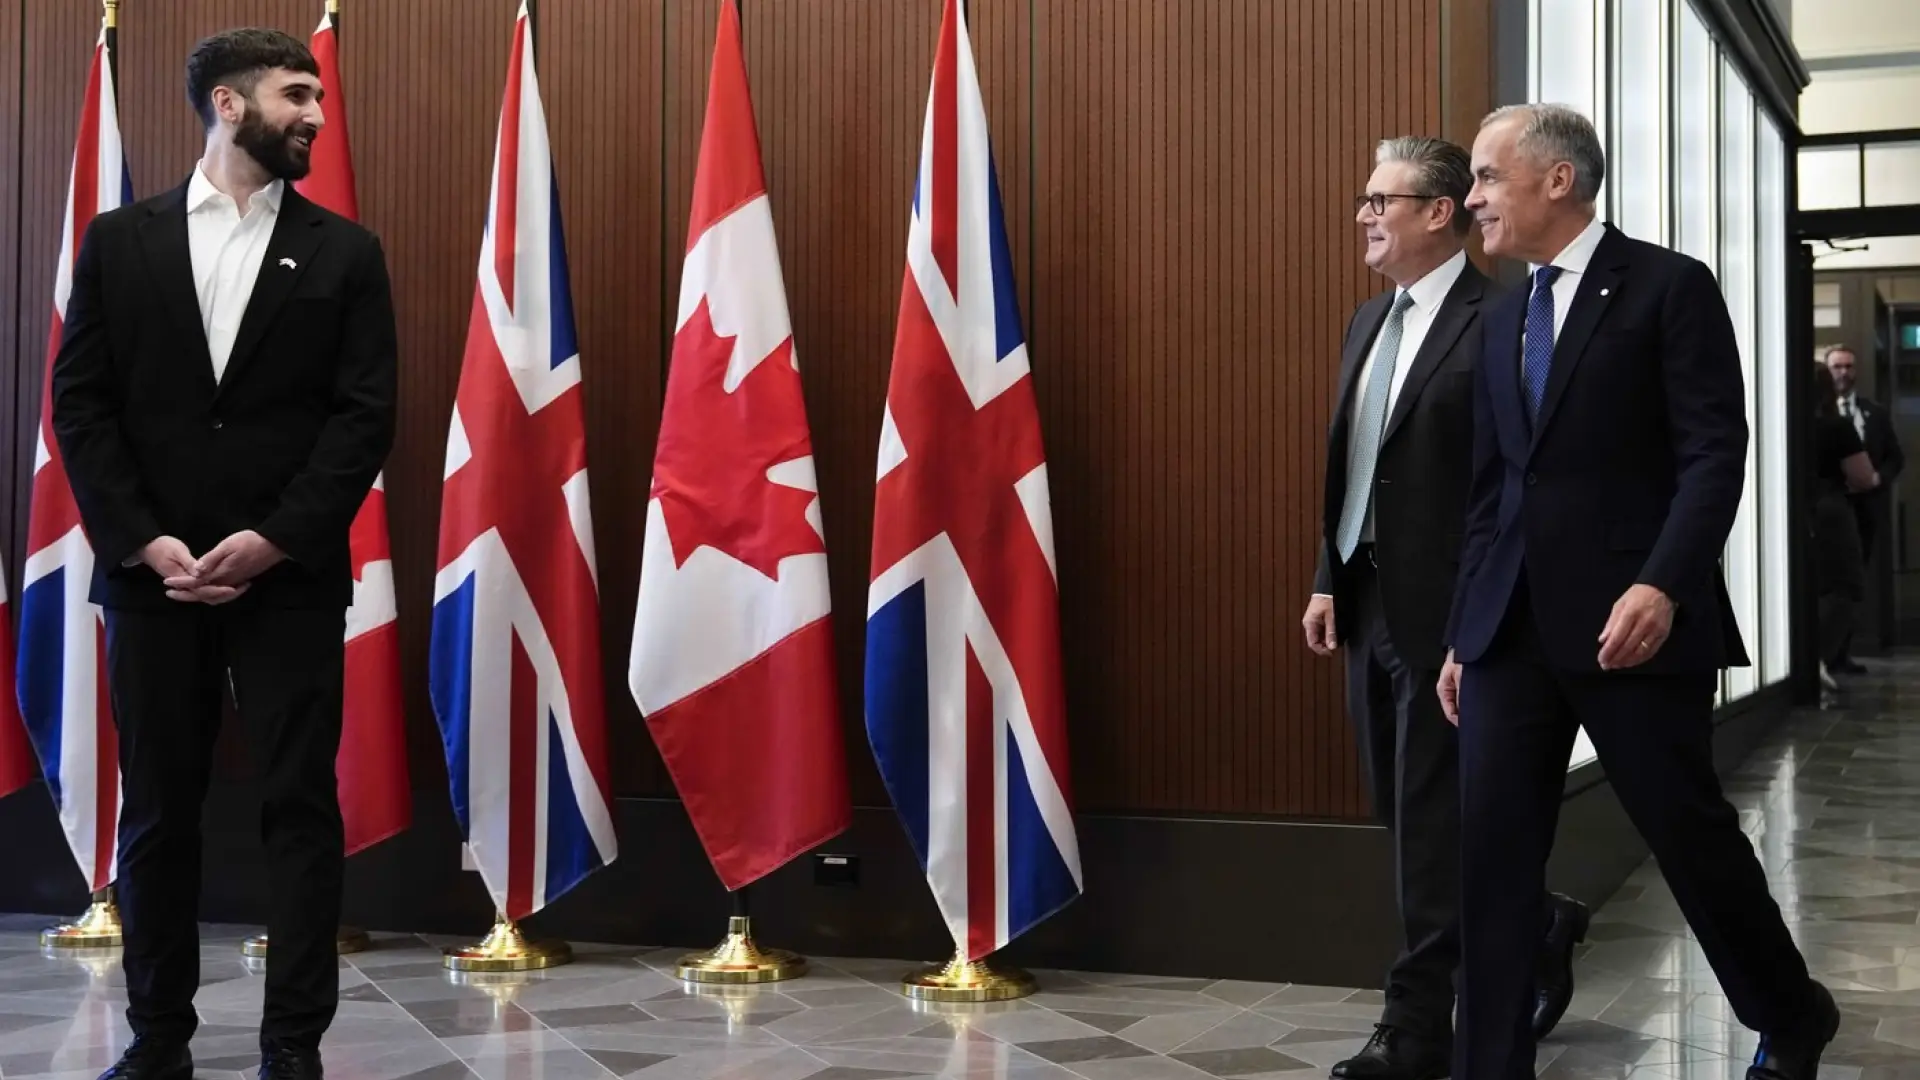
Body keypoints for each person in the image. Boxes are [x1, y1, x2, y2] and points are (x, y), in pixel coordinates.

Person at [1436, 104, 1837, 1080]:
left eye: (1487, 176)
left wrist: (1663, 582)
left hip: (1635, 628)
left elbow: (1713, 453)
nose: (1473, 198)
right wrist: (1461, 631)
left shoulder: (1668, 286)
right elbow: (1492, 492)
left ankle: (1791, 1014)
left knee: (1686, 834)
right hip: (1506, 632)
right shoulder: (1502, 316)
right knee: (1491, 857)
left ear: (1557, 179)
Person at [51, 28, 396, 1080]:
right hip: (153, 580)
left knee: (300, 810)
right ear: (230, 106)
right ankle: (158, 1041)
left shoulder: (346, 252)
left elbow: (363, 418)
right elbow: (82, 405)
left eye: (317, 97)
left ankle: (293, 1046)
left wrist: (277, 538)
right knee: (159, 812)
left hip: (288, 581)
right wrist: (141, 540)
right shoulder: (119, 241)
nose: (317, 116)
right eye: (298, 95)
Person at [1302, 135, 1584, 1080]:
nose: (1364, 215)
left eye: (1381, 200)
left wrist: (1477, 620)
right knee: (1403, 809)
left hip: (1458, 616)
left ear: (1438, 212)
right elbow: (1360, 462)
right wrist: (1328, 575)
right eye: (1364, 199)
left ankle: (1416, 1024)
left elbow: (1509, 484)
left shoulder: (1504, 318)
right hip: (1367, 602)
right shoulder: (1366, 322)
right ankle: (1536, 923)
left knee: (1429, 821)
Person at [1823, 345, 1902, 672]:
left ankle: (1841, 654)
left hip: (1865, 509)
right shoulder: (1819, 414)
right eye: (1837, 366)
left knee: (1855, 582)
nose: (1844, 372)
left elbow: (1895, 456)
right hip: (1828, 511)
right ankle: (1824, 656)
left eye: (1849, 366)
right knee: (1831, 583)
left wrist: (1877, 478)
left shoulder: (1875, 413)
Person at [1811, 362, 1878, 689]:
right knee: (1843, 586)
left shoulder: (1778, 422)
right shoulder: (1836, 426)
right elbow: (1863, 477)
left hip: (1791, 510)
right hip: (1831, 512)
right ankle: (1816, 658)